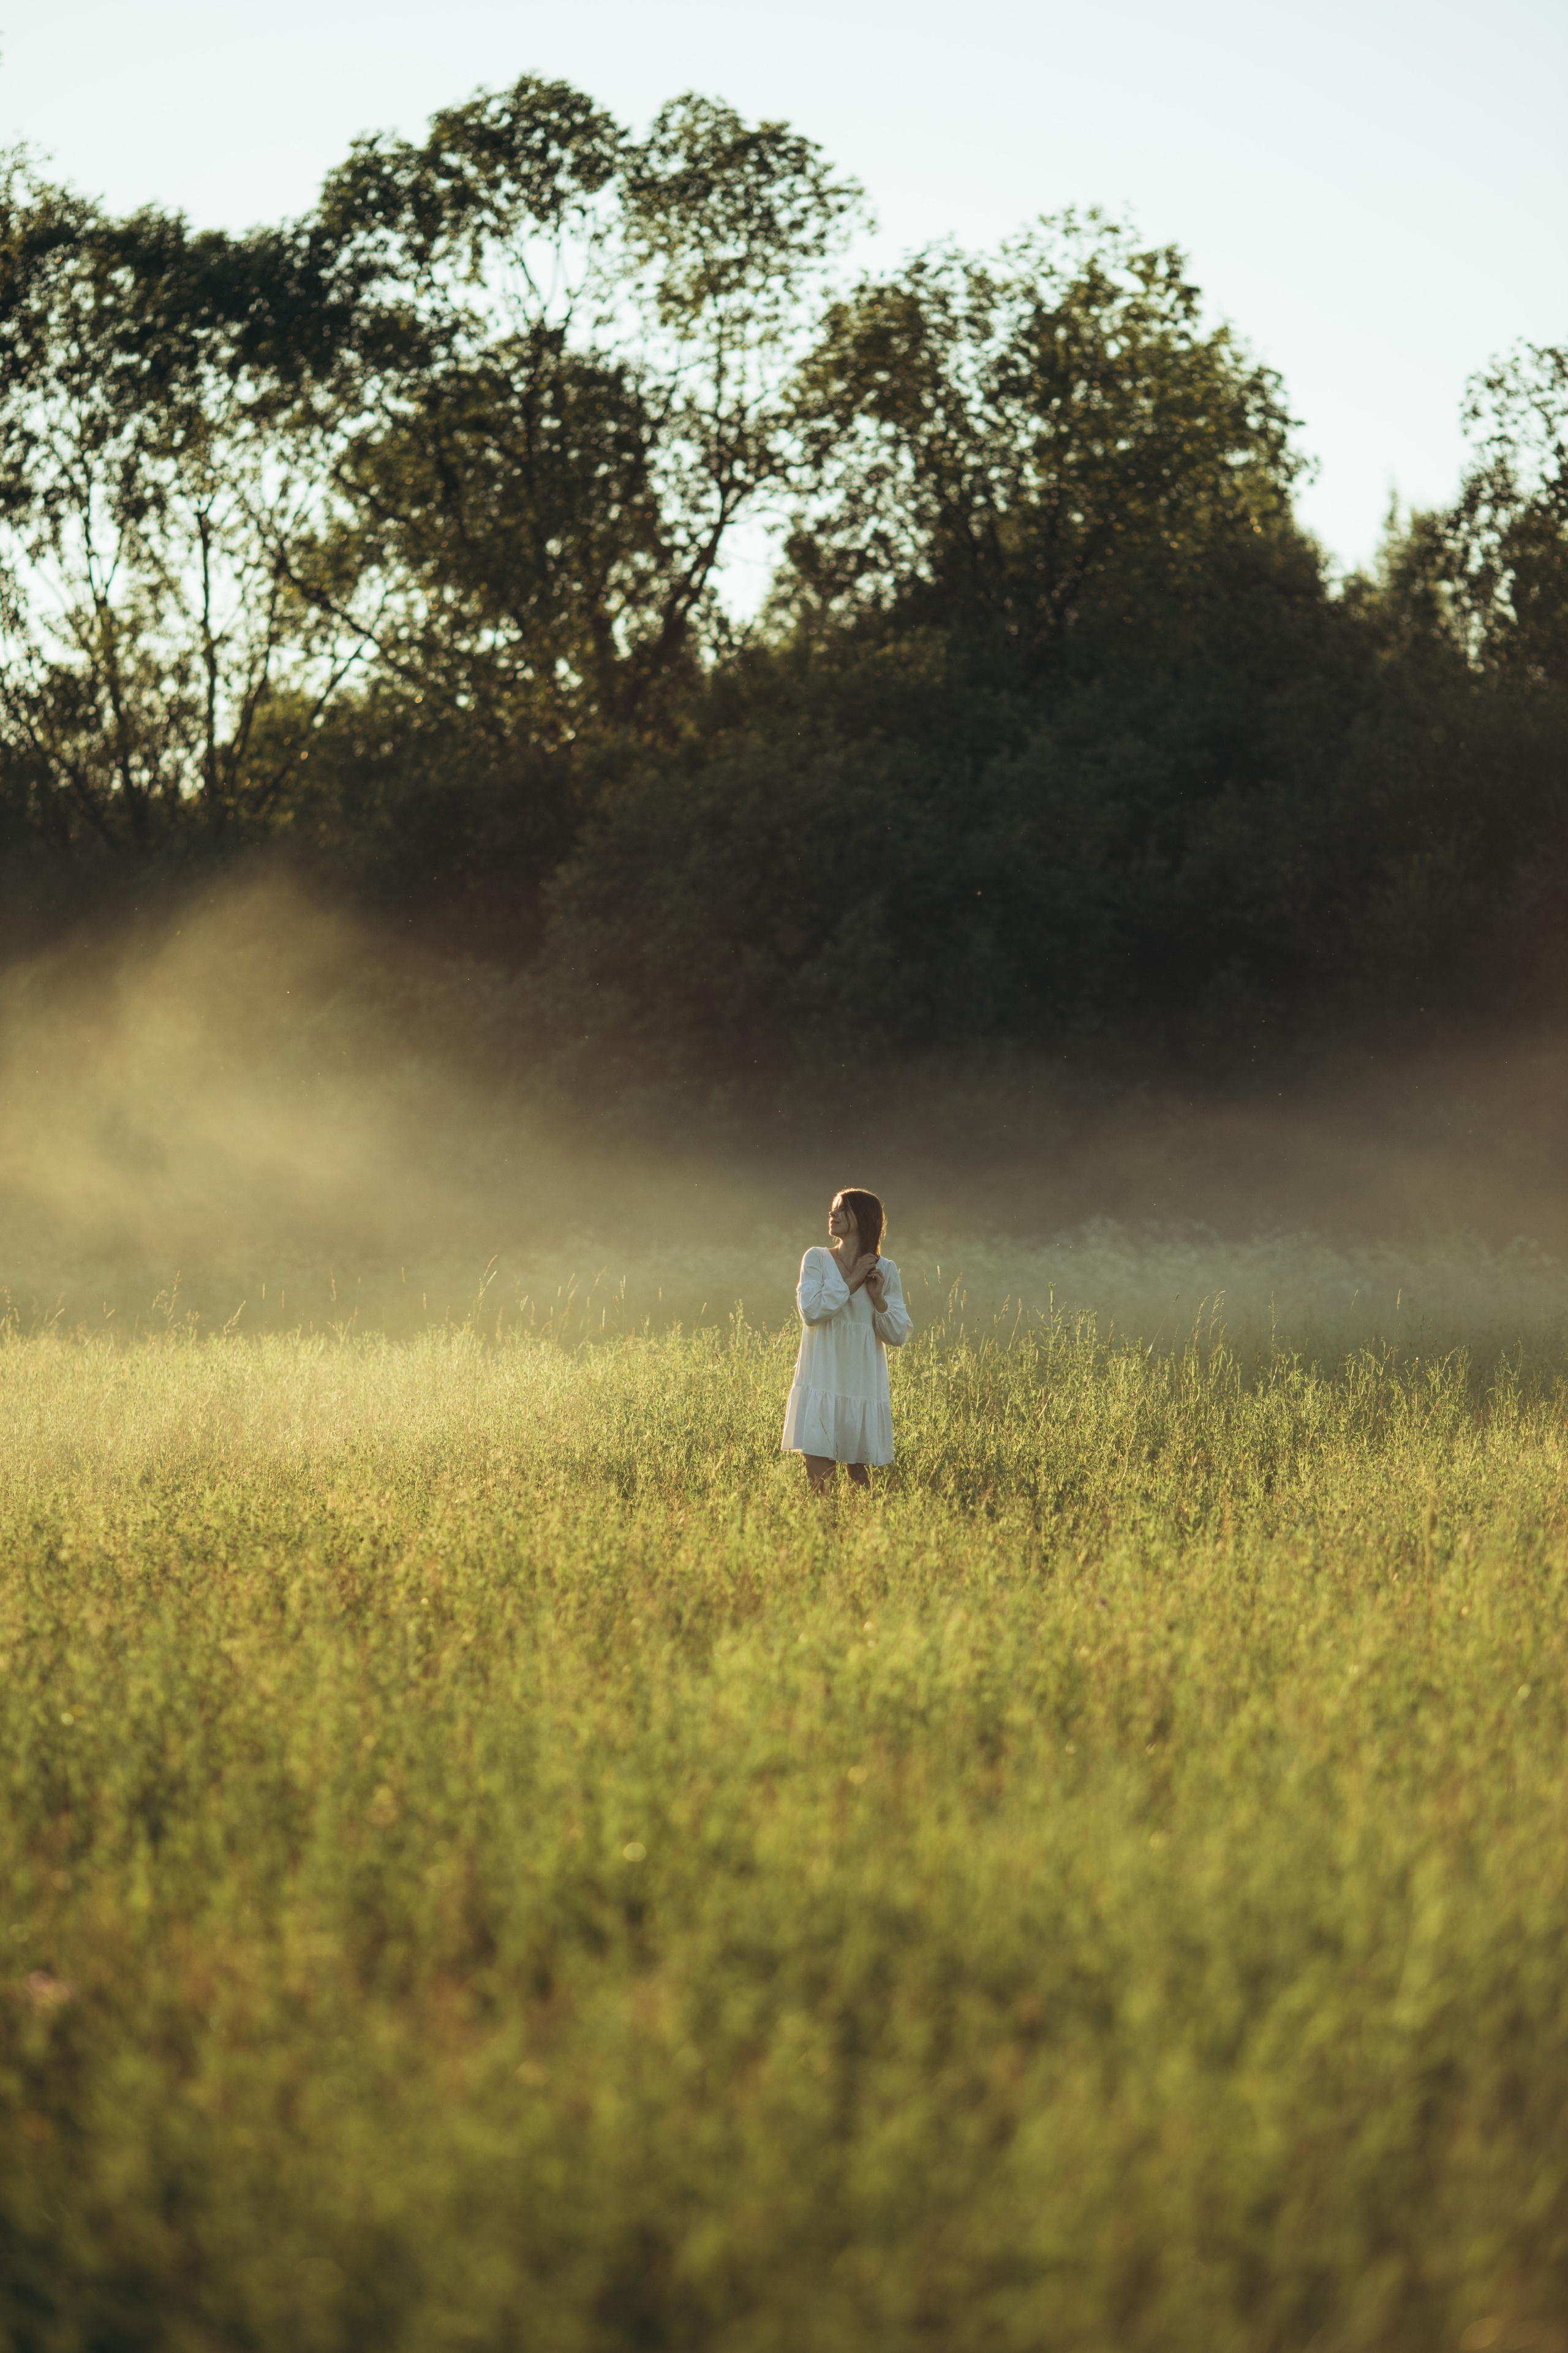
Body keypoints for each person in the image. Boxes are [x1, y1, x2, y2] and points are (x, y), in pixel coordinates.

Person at [782, 1187, 912, 1493]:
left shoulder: (886, 1270)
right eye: (833, 1209)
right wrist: (853, 1282)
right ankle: (823, 1535)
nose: (833, 1214)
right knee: (820, 1488)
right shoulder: (816, 1258)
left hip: (862, 1384)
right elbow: (811, 1312)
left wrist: (879, 1300)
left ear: (863, 1217)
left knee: (861, 1486)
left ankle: (862, 1536)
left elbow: (897, 1335)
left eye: (842, 1209)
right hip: (822, 1377)